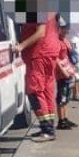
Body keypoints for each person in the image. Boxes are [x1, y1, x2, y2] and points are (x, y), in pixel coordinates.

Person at [18, 11, 62, 141]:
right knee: (47, 90)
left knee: (35, 91)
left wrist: (21, 46)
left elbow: (40, 32)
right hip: (49, 51)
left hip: (39, 53)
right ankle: (48, 127)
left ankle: (47, 130)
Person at [54, 15, 77, 130]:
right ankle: (61, 121)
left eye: (67, 28)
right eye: (64, 28)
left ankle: (65, 118)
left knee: (67, 97)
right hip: (62, 73)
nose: (66, 31)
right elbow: (55, 58)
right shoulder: (56, 41)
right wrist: (63, 71)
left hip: (68, 70)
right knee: (61, 97)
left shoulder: (65, 40)